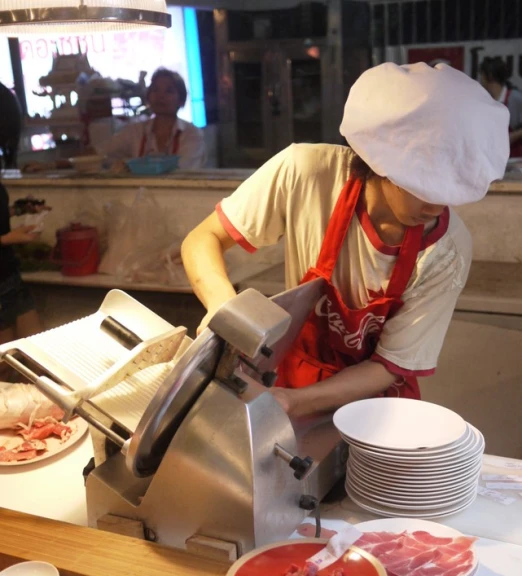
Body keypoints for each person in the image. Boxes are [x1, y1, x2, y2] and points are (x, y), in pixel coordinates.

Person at [181, 62, 509, 418]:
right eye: (422, 183)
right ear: (381, 158)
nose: (435, 204)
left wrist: (292, 403)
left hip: (377, 405)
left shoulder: (448, 251)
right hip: (290, 376)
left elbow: (389, 366)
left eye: (451, 189)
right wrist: (223, 310)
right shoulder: (305, 173)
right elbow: (203, 239)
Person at [25, 69, 206, 173]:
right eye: (156, 90)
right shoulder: (135, 132)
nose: (161, 96)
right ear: (148, 95)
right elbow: (96, 152)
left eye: (169, 91)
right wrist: (50, 165)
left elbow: (182, 170)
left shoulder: (192, 135)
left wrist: (128, 166)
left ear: (181, 99)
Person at [0, 83, 45, 345]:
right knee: (5, 368)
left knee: (39, 351)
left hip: (9, 277)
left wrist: (18, 210)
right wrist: (9, 238)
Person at [479, 56, 522, 157]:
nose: (480, 79)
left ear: (489, 76)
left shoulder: (514, 98)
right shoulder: (485, 101)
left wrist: (510, 137)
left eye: (481, 74)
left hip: (515, 160)